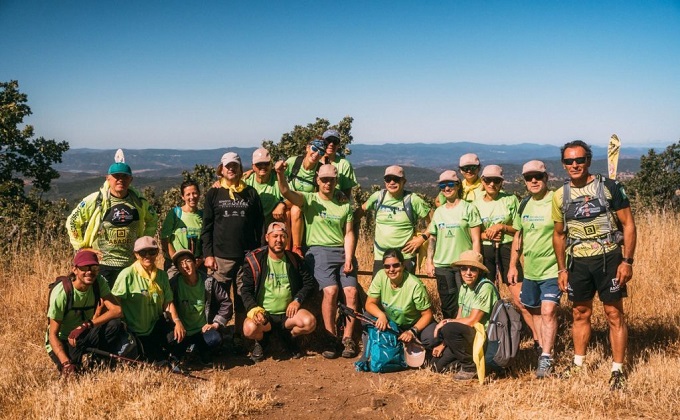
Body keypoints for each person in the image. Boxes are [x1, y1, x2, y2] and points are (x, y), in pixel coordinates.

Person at [552, 140, 636, 390]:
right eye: (569, 161)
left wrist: (627, 261)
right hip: (578, 261)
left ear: (588, 160)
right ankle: (578, 365)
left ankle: (617, 370)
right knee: (580, 313)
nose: (574, 165)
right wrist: (562, 269)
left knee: (613, 314)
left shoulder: (610, 187)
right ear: (564, 164)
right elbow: (559, 234)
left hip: (609, 258)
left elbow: (629, 224)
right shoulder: (560, 195)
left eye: (579, 160)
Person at [275, 161, 358, 359]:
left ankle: (347, 339)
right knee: (331, 291)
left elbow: (348, 233)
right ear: (317, 180)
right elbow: (286, 192)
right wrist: (280, 174)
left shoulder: (344, 204)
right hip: (319, 251)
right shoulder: (309, 199)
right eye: (324, 180)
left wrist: (349, 258)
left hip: (342, 251)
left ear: (336, 181)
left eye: (331, 180)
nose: (328, 184)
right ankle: (330, 338)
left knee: (351, 292)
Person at [201, 151, 264, 342]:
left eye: (234, 166)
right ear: (221, 169)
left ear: (239, 168)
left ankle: (240, 336)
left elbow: (260, 225)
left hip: (246, 256)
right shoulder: (214, 193)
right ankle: (214, 338)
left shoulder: (250, 193)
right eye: (227, 166)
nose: (231, 169)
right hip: (220, 257)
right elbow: (207, 227)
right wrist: (208, 254)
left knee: (243, 299)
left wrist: (260, 253)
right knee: (216, 301)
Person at [474, 164, 538, 346]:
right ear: (482, 181)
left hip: (508, 250)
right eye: (488, 180)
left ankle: (537, 338)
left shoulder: (510, 200)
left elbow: (519, 229)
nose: (492, 184)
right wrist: (487, 234)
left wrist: (502, 227)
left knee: (520, 299)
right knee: (484, 297)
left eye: (496, 181)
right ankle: (486, 338)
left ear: (502, 182)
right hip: (485, 251)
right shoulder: (475, 203)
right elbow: (472, 232)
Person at [508, 160, 561, 378]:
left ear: (546, 178)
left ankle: (547, 358)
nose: (533, 181)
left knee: (548, 311)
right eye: (529, 178)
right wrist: (513, 264)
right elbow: (518, 237)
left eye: (538, 177)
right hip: (530, 270)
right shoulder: (524, 204)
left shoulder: (556, 200)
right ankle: (542, 351)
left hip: (553, 269)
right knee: (535, 311)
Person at [66, 160, 158, 287]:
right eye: (116, 176)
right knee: (103, 304)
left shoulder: (139, 201)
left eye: (125, 176)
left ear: (130, 179)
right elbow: (72, 221)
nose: (120, 180)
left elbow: (152, 219)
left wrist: (143, 244)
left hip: (131, 263)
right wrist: (81, 247)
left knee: (129, 304)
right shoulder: (96, 200)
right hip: (102, 265)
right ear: (108, 179)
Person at [240, 222, 317, 361]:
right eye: (275, 236)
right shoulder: (255, 260)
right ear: (267, 237)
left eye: (283, 236)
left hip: (288, 315)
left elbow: (308, 283)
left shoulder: (294, 260)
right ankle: (261, 342)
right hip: (265, 315)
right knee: (249, 329)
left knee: (309, 322)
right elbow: (245, 290)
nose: (279, 240)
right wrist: (254, 310)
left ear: (287, 239)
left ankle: (289, 338)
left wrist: (297, 300)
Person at [46, 250, 126, 376]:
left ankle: (99, 361)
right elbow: (53, 335)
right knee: (74, 374)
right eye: (84, 267)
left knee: (114, 324)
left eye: (94, 267)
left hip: (84, 333)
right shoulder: (62, 293)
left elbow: (117, 310)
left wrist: (86, 325)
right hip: (64, 339)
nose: (89, 272)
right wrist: (66, 363)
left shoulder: (98, 282)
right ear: (75, 269)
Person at [111, 236, 185, 362]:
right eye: (142, 252)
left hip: (154, 326)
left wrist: (177, 321)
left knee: (178, 337)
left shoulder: (162, 275)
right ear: (136, 254)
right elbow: (114, 301)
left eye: (152, 252)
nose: (147, 256)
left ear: (157, 253)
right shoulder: (127, 274)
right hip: (133, 330)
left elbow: (168, 302)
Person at [431, 250, 498, 379]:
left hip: (482, 337)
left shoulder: (485, 288)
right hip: (465, 337)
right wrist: (443, 344)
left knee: (449, 328)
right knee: (436, 365)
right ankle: (472, 363)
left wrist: (445, 322)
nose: (468, 273)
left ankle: (470, 368)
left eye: (473, 269)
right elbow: (459, 318)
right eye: (464, 268)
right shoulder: (464, 288)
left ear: (480, 271)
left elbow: (473, 321)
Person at [355, 165, 432, 276]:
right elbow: (359, 212)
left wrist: (422, 238)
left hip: (405, 256)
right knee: (380, 291)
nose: (392, 182)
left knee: (405, 291)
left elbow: (434, 221)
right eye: (388, 179)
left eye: (396, 179)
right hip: (381, 256)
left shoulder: (413, 200)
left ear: (403, 181)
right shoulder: (378, 197)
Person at [426, 170, 482, 319]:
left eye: (450, 184)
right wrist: (429, 261)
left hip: (463, 265)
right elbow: (432, 238)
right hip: (442, 266)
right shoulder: (438, 212)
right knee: (448, 304)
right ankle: (450, 336)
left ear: (457, 186)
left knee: (467, 302)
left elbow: (476, 239)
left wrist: (475, 262)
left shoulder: (469, 208)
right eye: (442, 186)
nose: (446, 188)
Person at [364, 249, 439, 352]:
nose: (391, 270)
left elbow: (428, 314)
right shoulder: (380, 276)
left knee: (432, 338)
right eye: (387, 266)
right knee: (366, 318)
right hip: (392, 323)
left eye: (396, 265)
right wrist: (381, 315)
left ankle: (415, 346)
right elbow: (369, 304)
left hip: (414, 324)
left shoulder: (415, 285)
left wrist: (413, 331)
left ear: (403, 265)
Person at [169, 249, 232, 364]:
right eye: (180, 264)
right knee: (169, 342)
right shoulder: (174, 284)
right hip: (182, 330)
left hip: (203, 330)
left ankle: (196, 350)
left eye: (188, 261)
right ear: (177, 268)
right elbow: (167, 305)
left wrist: (215, 324)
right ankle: (193, 350)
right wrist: (175, 323)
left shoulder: (209, 281)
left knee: (214, 339)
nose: (185, 266)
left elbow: (226, 303)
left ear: (195, 263)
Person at [283, 138, 326, 257]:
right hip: (287, 203)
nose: (316, 154)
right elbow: (276, 174)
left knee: (296, 210)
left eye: (321, 152)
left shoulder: (320, 170)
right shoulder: (293, 162)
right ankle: (285, 249)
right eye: (314, 148)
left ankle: (296, 248)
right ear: (307, 148)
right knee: (287, 213)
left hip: (305, 205)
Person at [161, 180, 204, 279]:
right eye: (188, 194)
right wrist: (176, 261)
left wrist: (201, 260)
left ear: (199, 194)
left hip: (198, 265)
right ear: (183, 197)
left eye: (194, 193)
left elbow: (207, 240)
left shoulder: (203, 215)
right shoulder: (175, 214)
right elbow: (165, 239)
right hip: (174, 265)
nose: (192, 197)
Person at [244, 148, 287, 227]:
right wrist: (219, 182)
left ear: (271, 165)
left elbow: (292, 197)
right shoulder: (246, 181)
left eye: (266, 163)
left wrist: (282, 204)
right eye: (259, 164)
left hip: (272, 228)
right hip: (251, 226)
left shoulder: (278, 180)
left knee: (288, 211)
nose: (263, 166)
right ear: (253, 166)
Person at [321, 129, 358, 200]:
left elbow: (346, 193)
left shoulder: (344, 164)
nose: (331, 144)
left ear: (338, 145)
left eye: (335, 141)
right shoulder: (315, 161)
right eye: (328, 140)